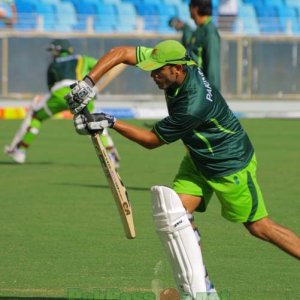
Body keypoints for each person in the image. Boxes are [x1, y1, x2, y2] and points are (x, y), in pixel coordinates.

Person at [64, 40, 300, 299]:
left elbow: (151, 141)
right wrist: (88, 82)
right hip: (198, 158)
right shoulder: (176, 60)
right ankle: (203, 291)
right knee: (173, 216)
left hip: (229, 164)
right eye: (151, 69)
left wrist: (110, 121)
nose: (153, 75)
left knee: (259, 227)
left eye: (159, 71)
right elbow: (120, 53)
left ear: (177, 69)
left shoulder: (193, 104)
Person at [4, 39, 120, 167]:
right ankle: (111, 155)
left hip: (60, 95)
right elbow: (103, 67)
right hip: (83, 93)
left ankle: (20, 150)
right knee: (94, 123)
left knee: (36, 116)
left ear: (59, 50)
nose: (52, 54)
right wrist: (95, 88)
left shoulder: (53, 65)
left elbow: (51, 87)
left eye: (54, 50)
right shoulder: (82, 59)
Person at [169, 0, 221, 90]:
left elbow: (212, 68)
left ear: (195, 8)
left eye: (189, 5)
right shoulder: (199, 30)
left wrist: (213, 97)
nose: (188, 8)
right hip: (193, 89)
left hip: (202, 92)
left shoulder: (209, 32)